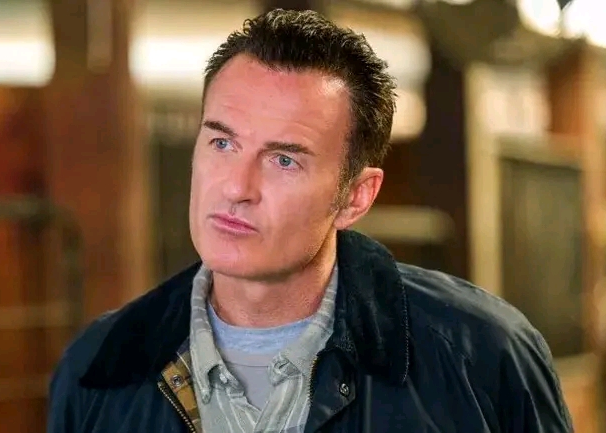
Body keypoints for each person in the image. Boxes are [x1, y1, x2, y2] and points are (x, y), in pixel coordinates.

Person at [48, 8, 573, 433]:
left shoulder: (481, 357)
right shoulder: (100, 365)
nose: (236, 187)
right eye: (222, 143)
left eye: (283, 160)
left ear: (355, 198)